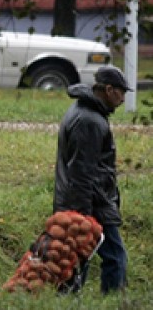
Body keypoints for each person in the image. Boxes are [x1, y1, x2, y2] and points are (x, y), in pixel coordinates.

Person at [53, 65, 132, 294]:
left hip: (82, 201)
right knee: (115, 258)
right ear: (109, 89)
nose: (123, 98)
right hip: (90, 203)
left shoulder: (82, 111)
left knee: (78, 258)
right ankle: (113, 302)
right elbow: (82, 172)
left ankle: (66, 300)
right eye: (121, 92)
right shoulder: (90, 121)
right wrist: (83, 214)